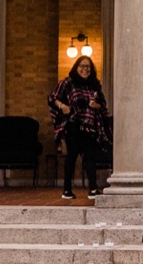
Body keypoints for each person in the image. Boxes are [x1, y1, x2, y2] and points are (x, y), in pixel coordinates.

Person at [47, 56, 111, 199]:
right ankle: (67, 190)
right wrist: (63, 106)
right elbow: (52, 98)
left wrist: (97, 105)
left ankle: (93, 189)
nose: (85, 69)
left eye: (88, 66)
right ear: (76, 67)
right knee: (72, 156)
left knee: (90, 157)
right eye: (82, 66)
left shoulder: (94, 85)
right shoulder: (67, 83)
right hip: (73, 125)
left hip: (90, 126)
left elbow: (103, 106)